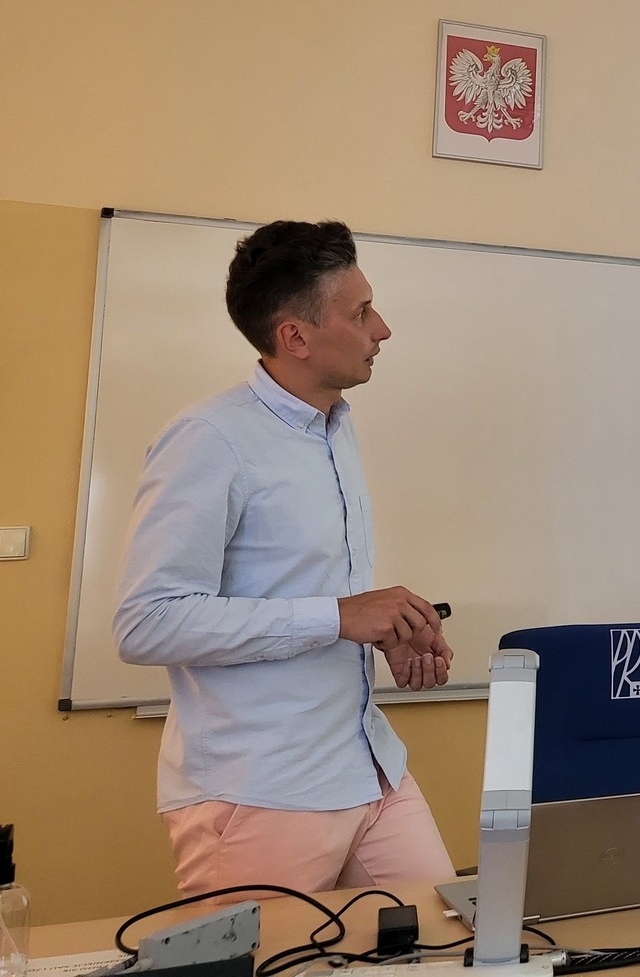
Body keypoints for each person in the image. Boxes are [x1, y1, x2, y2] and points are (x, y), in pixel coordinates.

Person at [113, 219, 457, 895]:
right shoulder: (210, 439)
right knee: (269, 954)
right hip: (262, 790)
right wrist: (338, 617)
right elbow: (146, 622)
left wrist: (386, 630)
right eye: (360, 313)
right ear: (295, 337)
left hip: (368, 766)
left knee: (450, 942)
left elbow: (308, 594)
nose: (382, 329)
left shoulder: (335, 427)